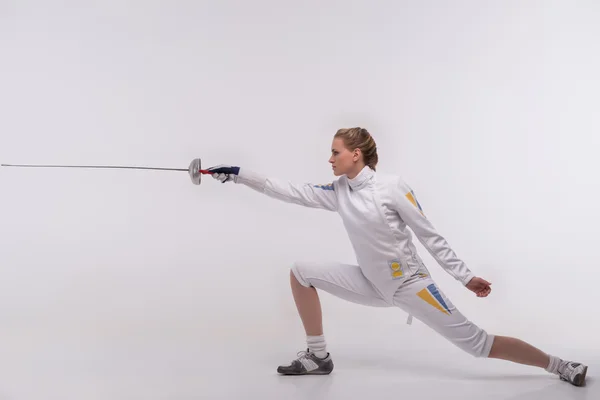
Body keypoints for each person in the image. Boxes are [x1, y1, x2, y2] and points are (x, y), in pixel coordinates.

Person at [197, 127, 588, 387]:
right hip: (372, 282)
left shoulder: (391, 187)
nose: (329, 159)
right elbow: (291, 191)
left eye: (335, 152)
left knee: (477, 344)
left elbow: (427, 232)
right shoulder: (339, 191)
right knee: (301, 272)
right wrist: (240, 175)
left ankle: (559, 365)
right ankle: (318, 357)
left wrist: (464, 276)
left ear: (356, 154)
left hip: (410, 285)